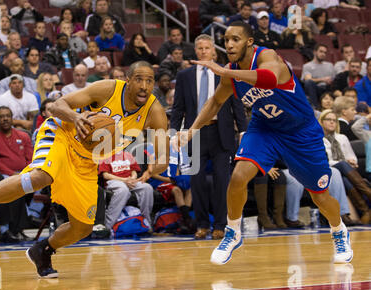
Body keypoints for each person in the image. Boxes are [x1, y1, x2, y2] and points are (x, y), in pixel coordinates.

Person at [0, 61, 169, 278]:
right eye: (139, 79)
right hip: (62, 134)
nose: (144, 86)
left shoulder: (154, 112)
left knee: (83, 227)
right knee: (41, 177)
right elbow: (57, 105)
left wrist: (154, 166)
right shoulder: (107, 89)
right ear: (128, 80)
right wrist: (75, 116)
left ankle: (43, 250)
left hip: (87, 161)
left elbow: (162, 157)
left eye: (150, 81)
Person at [174, 21, 353, 265]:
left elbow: (267, 79)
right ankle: (233, 232)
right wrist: (192, 130)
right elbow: (215, 103)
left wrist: (226, 72)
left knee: (320, 196)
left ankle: (338, 229)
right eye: (226, 40)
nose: (229, 44)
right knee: (237, 176)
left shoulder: (268, 56)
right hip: (265, 127)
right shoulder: (231, 72)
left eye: (235, 39)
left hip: (300, 132)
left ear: (249, 41)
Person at [171, 34, 247, 240]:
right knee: (197, 182)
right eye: (200, 48)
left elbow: (236, 105)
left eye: (207, 48)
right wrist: (174, 132)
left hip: (221, 133)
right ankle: (202, 224)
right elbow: (178, 108)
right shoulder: (185, 76)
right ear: (195, 51)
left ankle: (220, 225)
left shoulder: (225, 73)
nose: (204, 52)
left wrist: (243, 131)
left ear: (214, 51)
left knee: (223, 181)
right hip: (194, 134)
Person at [0, 106, 34, 242]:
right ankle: (11, 229)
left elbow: (30, 159)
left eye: (8, 116)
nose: (5, 119)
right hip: (3, 175)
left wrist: (25, 173)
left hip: (24, 173)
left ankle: (17, 229)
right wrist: (14, 174)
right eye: (1, 116)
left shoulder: (23, 136)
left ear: (12, 118)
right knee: (15, 187)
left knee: (28, 182)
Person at [319, 109, 371, 225]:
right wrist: (344, 162)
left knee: (344, 177)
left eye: (334, 120)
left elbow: (351, 156)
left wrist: (352, 161)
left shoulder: (342, 137)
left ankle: (365, 210)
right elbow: (326, 161)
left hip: (345, 172)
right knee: (342, 165)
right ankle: (368, 193)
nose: (332, 122)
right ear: (321, 122)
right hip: (328, 170)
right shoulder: (318, 139)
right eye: (328, 120)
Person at [99, 150, 154, 232]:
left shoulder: (127, 154)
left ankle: (146, 223)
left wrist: (132, 178)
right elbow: (105, 175)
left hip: (129, 180)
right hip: (114, 181)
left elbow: (133, 171)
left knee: (147, 188)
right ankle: (108, 226)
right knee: (123, 190)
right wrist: (124, 180)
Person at [301, 44, 335, 108]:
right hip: (316, 89)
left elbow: (333, 79)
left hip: (327, 88)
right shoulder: (307, 66)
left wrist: (330, 81)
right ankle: (315, 107)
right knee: (309, 83)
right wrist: (323, 79)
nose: (323, 54)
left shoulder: (330, 65)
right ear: (315, 52)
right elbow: (308, 79)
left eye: (325, 52)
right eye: (321, 51)